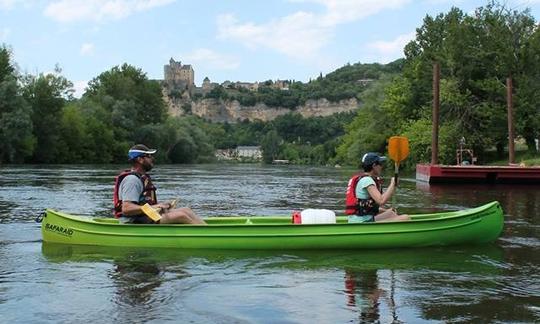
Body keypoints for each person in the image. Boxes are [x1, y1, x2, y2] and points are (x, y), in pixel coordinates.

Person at [113, 144, 206, 224]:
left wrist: (161, 205)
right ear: (140, 159)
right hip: (134, 221)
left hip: (144, 217)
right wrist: (153, 207)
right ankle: (205, 236)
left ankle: (206, 230)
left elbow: (145, 204)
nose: (152, 158)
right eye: (149, 156)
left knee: (186, 210)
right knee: (181, 215)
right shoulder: (132, 180)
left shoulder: (141, 177)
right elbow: (127, 209)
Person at [345, 152, 409, 223]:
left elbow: (369, 206)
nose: (381, 167)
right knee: (406, 218)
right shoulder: (367, 181)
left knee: (391, 213)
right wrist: (393, 184)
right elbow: (381, 201)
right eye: (380, 164)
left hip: (364, 219)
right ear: (374, 165)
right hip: (362, 222)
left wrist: (386, 211)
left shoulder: (363, 179)